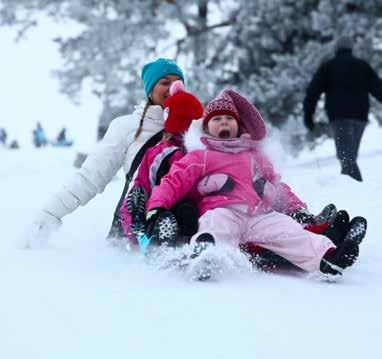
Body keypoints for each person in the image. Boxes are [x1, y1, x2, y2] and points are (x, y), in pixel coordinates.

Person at [145, 89, 362, 277]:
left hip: (259, 215)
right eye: (217, 119)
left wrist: (297, 208)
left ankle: (328, 257)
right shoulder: (201, 156)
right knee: (215, 225)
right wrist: (156, 208)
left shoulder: (255, 156)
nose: (224, 122)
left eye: (229, 119)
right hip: (223, 210)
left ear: (238, 126)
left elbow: (279, 187)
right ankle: (204, 254)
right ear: (207, 128)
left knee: (289, 230)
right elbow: (175, 180)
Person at [20, 58, 185, 248]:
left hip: (186, 224)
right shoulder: (126, 127)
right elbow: (90, 178)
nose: (173, 88)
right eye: (165, 82)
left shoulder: (196, 128)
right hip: (134, 226)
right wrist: (48, 215)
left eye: (177, 82)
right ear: (150, 90)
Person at [119, 80, 203, 251]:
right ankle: (155, 235)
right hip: (163, 210)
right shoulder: (197, 154)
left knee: (183, 211)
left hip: (170, 210)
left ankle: (154, 236)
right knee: (176, 211)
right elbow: (140, 187)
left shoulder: (160, 152)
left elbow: (141, 184)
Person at [303, 35, 382, 182]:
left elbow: (312, 92)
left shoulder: (328, 66)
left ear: (336, 49)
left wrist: (308, 115)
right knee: (349, 156)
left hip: (339, 117)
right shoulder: (362, 66)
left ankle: (354, 191)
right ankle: (351, 189)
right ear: (351, 48)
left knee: (347, 158)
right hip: (360, 117)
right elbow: (379, 89)